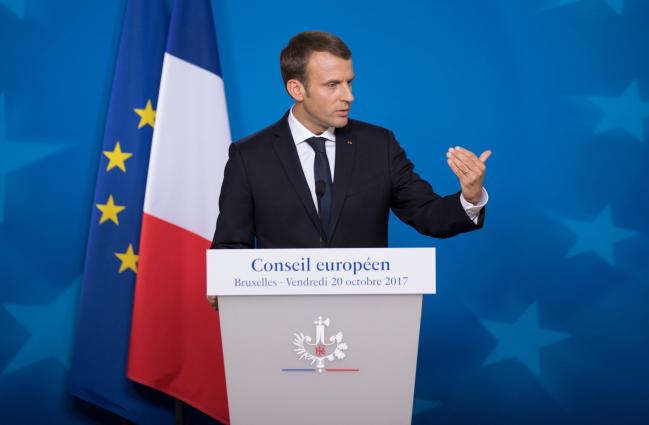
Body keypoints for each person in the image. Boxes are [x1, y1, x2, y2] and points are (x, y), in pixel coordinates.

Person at [208, 31, 490, 307]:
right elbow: (231, 244)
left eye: (349, 83)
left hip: (365, 316)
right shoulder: (250, 156)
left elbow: (429, 216)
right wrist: (223, 285)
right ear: (297, 89)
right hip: (282, 318)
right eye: (332, 85)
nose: (348, 96)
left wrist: (471, 196)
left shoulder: (379, 145)